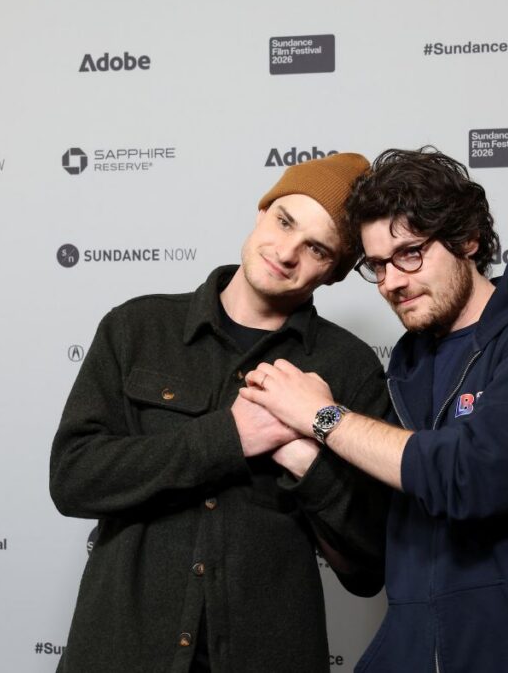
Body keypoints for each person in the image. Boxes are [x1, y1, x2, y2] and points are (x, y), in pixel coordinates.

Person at [239, 147, 508, 672]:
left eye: (409, 253)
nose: (392, 281)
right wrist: (306, 460)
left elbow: (480, 476)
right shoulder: (407, 369)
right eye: (377, 266)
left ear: (467, 239)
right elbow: (389, 548)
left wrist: (323, 418)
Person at [50, 152, 391, 673]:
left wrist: (305, 458)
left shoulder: (347, 367)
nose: (286, 252)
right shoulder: (137, 328)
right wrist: (229, 437)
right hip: (121, 651)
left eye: (317, 248)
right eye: (284, 222)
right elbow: (73, 478)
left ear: (335, 271)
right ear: (263, 211)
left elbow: (369, 566)